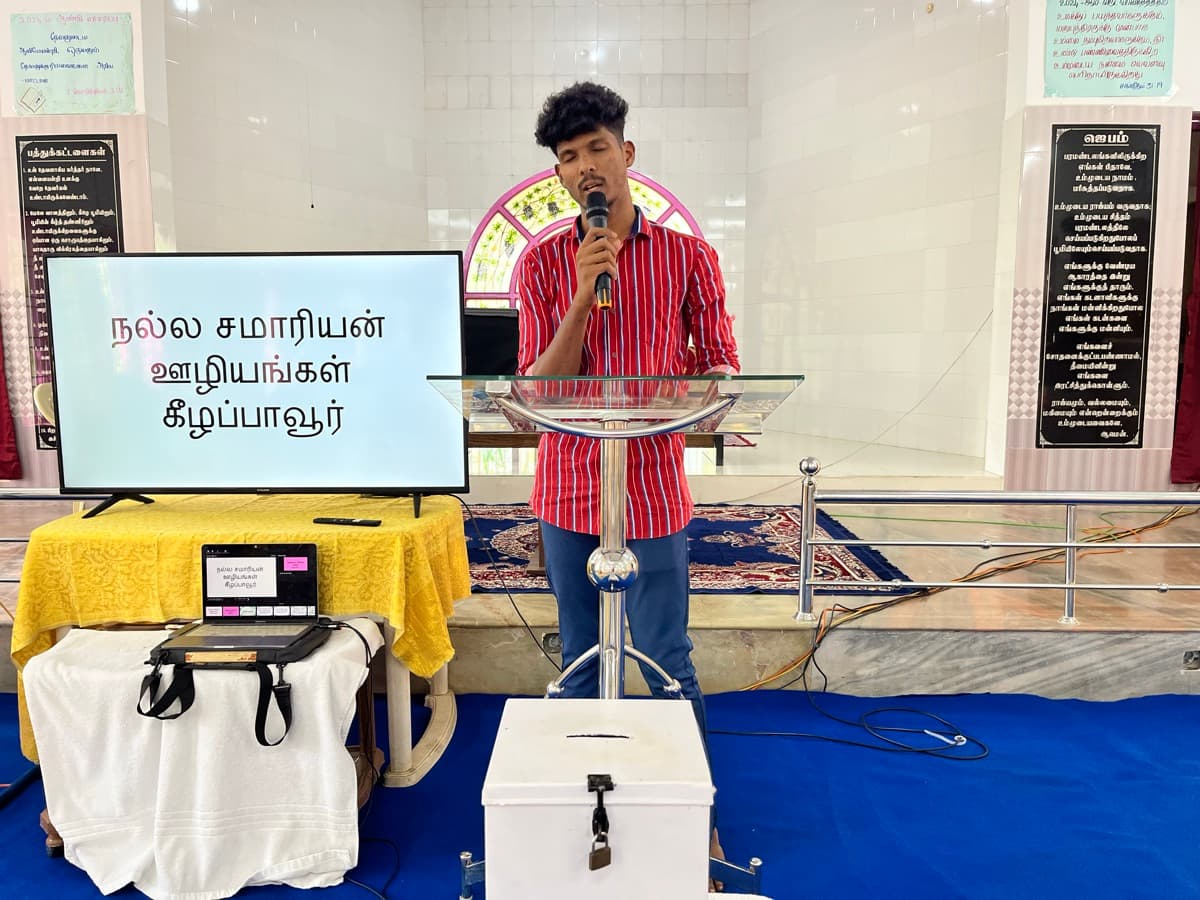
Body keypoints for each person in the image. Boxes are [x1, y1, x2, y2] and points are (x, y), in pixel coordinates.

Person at [516, 80, 739, 887]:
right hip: (571, 493)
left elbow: (719, 369)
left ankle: (698, 817)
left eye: (597, 149)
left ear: (627, 154)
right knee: (580, 655)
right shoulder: (544, 261)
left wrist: (707, 389)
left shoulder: (688, 256)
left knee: (667, 660)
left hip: (650, 491)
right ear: (560, 177)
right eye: (568, 159)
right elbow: (542, 390)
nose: (585, 168)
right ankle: (579, 813)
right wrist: (585, 288)